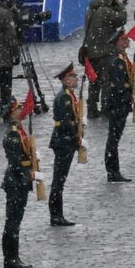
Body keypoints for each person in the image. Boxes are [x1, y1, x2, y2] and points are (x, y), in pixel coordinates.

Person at [0, 97, 36, 268]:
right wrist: (28, 172)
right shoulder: (13, 133)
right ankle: (10, 257)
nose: (22, 109)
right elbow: (15, 161)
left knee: (16, 220)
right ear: (12, 113)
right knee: (13, 221)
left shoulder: (19, 130)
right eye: (18, 108)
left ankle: (13, 256)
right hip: (16, 181)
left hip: (19, 180)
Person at [47, 63, 83, 226]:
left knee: (60, 179)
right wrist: (76, 136)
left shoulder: (69, 95)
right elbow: (66, 122)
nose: (76, 79)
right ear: (67, 80)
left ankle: (57, 215)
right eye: (74, 76)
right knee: (58, 181)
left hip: (65, 141)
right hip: (63, 141)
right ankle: (56, 216)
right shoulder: (65, 97)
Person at [105, 30, 135, 183]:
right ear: (118, 42)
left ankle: (113, 170)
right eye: (124, 39)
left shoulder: (122, 58)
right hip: (117, 102)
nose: (127, 41)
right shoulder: (117, 60)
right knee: (113, 138)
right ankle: (112, 171)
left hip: (120, 102)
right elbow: (119, 85)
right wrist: (128, 96)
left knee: (115, 137)